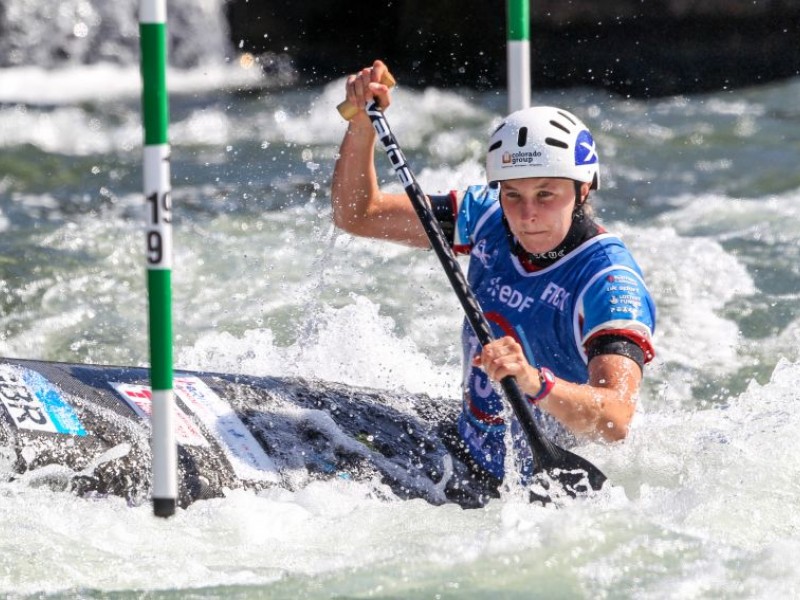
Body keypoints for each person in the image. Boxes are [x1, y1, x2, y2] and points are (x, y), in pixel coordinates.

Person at [330, 60, 656, 490]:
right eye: (513, 194)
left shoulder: (609, 282)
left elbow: (615, 419)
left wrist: (532, 381)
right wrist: (363, 122)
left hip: (537, 485)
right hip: (467, 450)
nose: (527, 215)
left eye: (546, 195)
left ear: (582, 190)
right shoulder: (486, 217)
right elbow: (358, 215)